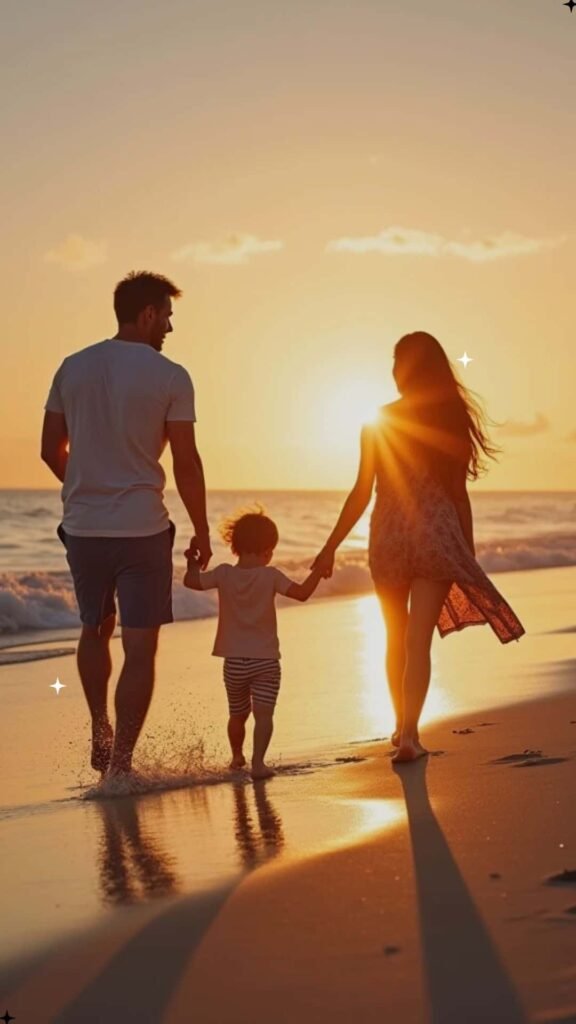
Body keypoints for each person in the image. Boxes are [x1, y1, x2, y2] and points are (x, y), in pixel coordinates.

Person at [312, 331, 525, 764]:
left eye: (397, 363)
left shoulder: (378, 420)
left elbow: (361, 491)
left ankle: (399, 725)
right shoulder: (450, 420)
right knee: (418, 641)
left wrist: (330, 545)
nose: (393, 371)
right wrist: (468, 548)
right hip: (435, 538)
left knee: (395, 636)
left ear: (406, 371)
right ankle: (409, 733)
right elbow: (457, 494)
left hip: (388, 537)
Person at [41, 271, 212, 776]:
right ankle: (120, 765)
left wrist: (84, 487)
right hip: (142, 529)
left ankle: (100, 726)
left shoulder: (72, 367)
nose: (169, 329)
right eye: (166, 317)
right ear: (147, 315)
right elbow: (186, 461)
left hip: (84, 528)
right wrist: (202, 530)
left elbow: (50, 449)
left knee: (94, 630)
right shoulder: (171, 375)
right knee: (140, 648)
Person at [184, 508, 325, 780]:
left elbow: (191, 581)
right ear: (268, 550)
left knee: (237, 715)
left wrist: (194, 561)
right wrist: (318, 570)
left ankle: (237, 757)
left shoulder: (223, 574)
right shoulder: (271, 575)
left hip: (234, 661)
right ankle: (258, 763)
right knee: (263, 715)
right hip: (266, 661)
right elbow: (303, 594)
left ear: (235, 546)